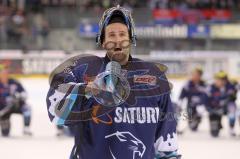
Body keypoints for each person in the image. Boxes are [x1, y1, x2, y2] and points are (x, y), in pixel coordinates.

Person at [46, 6, 181, 159]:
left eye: (122, 34)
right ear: (102, 41)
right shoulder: (82, 71)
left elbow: (166, 136)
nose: (117, 40)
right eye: (111, 35)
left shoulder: (154, 76)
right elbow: (56, 113)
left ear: (131, 38)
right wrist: (88, 91)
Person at [0, 63, 32, 136]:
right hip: (3, 109)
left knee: (27, 108)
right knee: (5, 133)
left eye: (6, 72)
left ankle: (26, 128)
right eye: (3, 72)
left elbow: (24, 93)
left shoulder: (14, 82)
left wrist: (19, 96)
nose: (5, 74)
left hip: (15, 105)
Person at [206, 71, 228, 137]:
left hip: (221, 109)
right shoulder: (210, 88)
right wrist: (207, 107)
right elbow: (205, 99)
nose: (220, 82)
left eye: (222, 80)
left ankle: (218, 124)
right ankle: (214, 124)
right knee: (214, 131)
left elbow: (229, 99)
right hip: (211, 109)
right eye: (218, 80)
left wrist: (224, 108)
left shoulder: (226, 88)